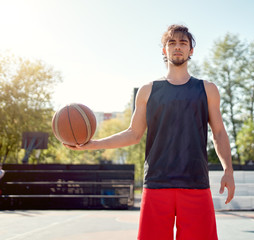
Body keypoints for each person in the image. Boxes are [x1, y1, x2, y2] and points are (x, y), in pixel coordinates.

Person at [65, 24, 235, 240]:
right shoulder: (148, 91)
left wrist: (228, 170)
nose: (177, 47)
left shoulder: (207, 89)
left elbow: (219, 133)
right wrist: (93, 144)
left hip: (195, 183)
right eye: (171, 43)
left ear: (191, 50)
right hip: (157, 183)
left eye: (183, 43)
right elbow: (133, 134)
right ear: (164, 50)